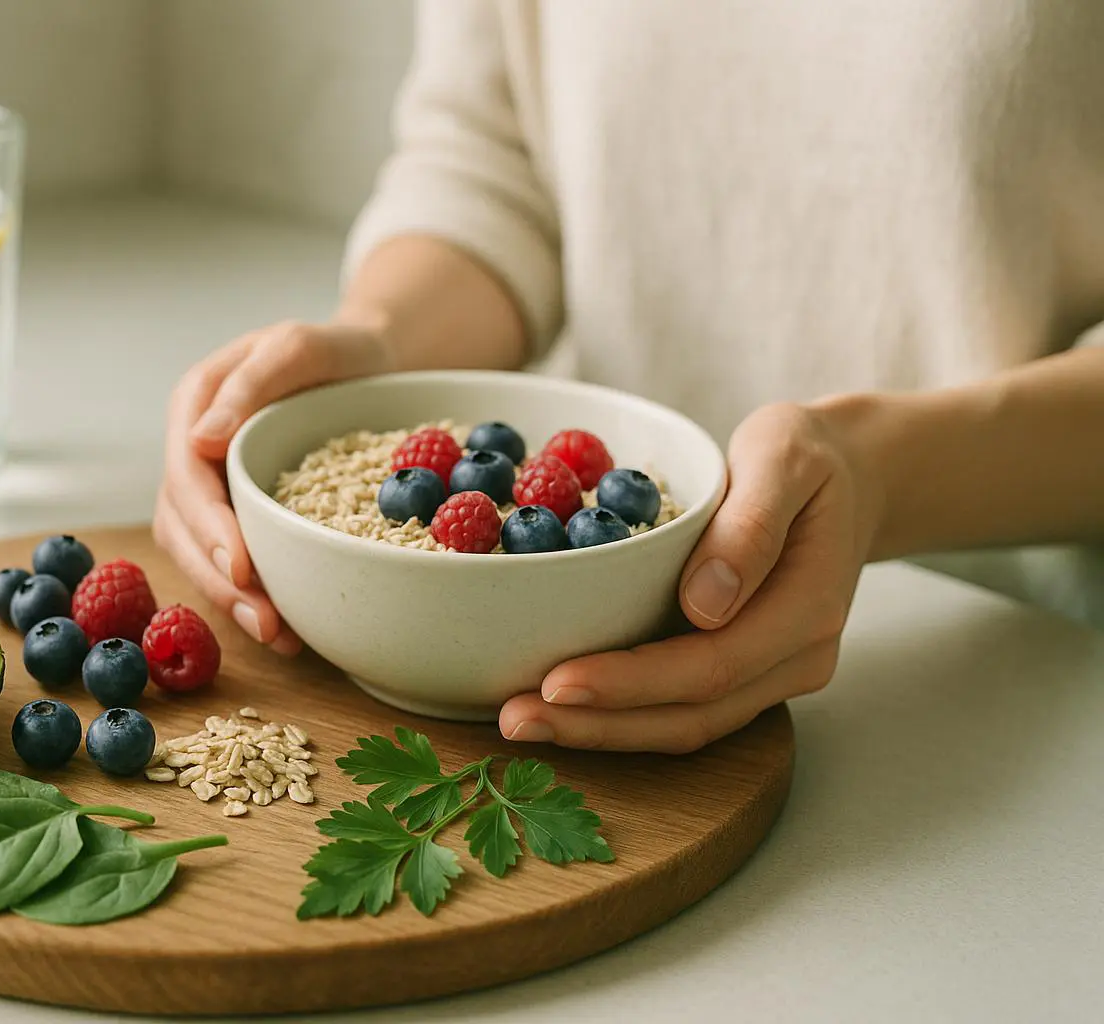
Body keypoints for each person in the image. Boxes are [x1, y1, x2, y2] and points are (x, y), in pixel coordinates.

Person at [154, 1, 1104, 753]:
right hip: (572, 592)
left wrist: (882, 477)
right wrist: (378, 341)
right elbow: (497, 159)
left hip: (1024, 669)